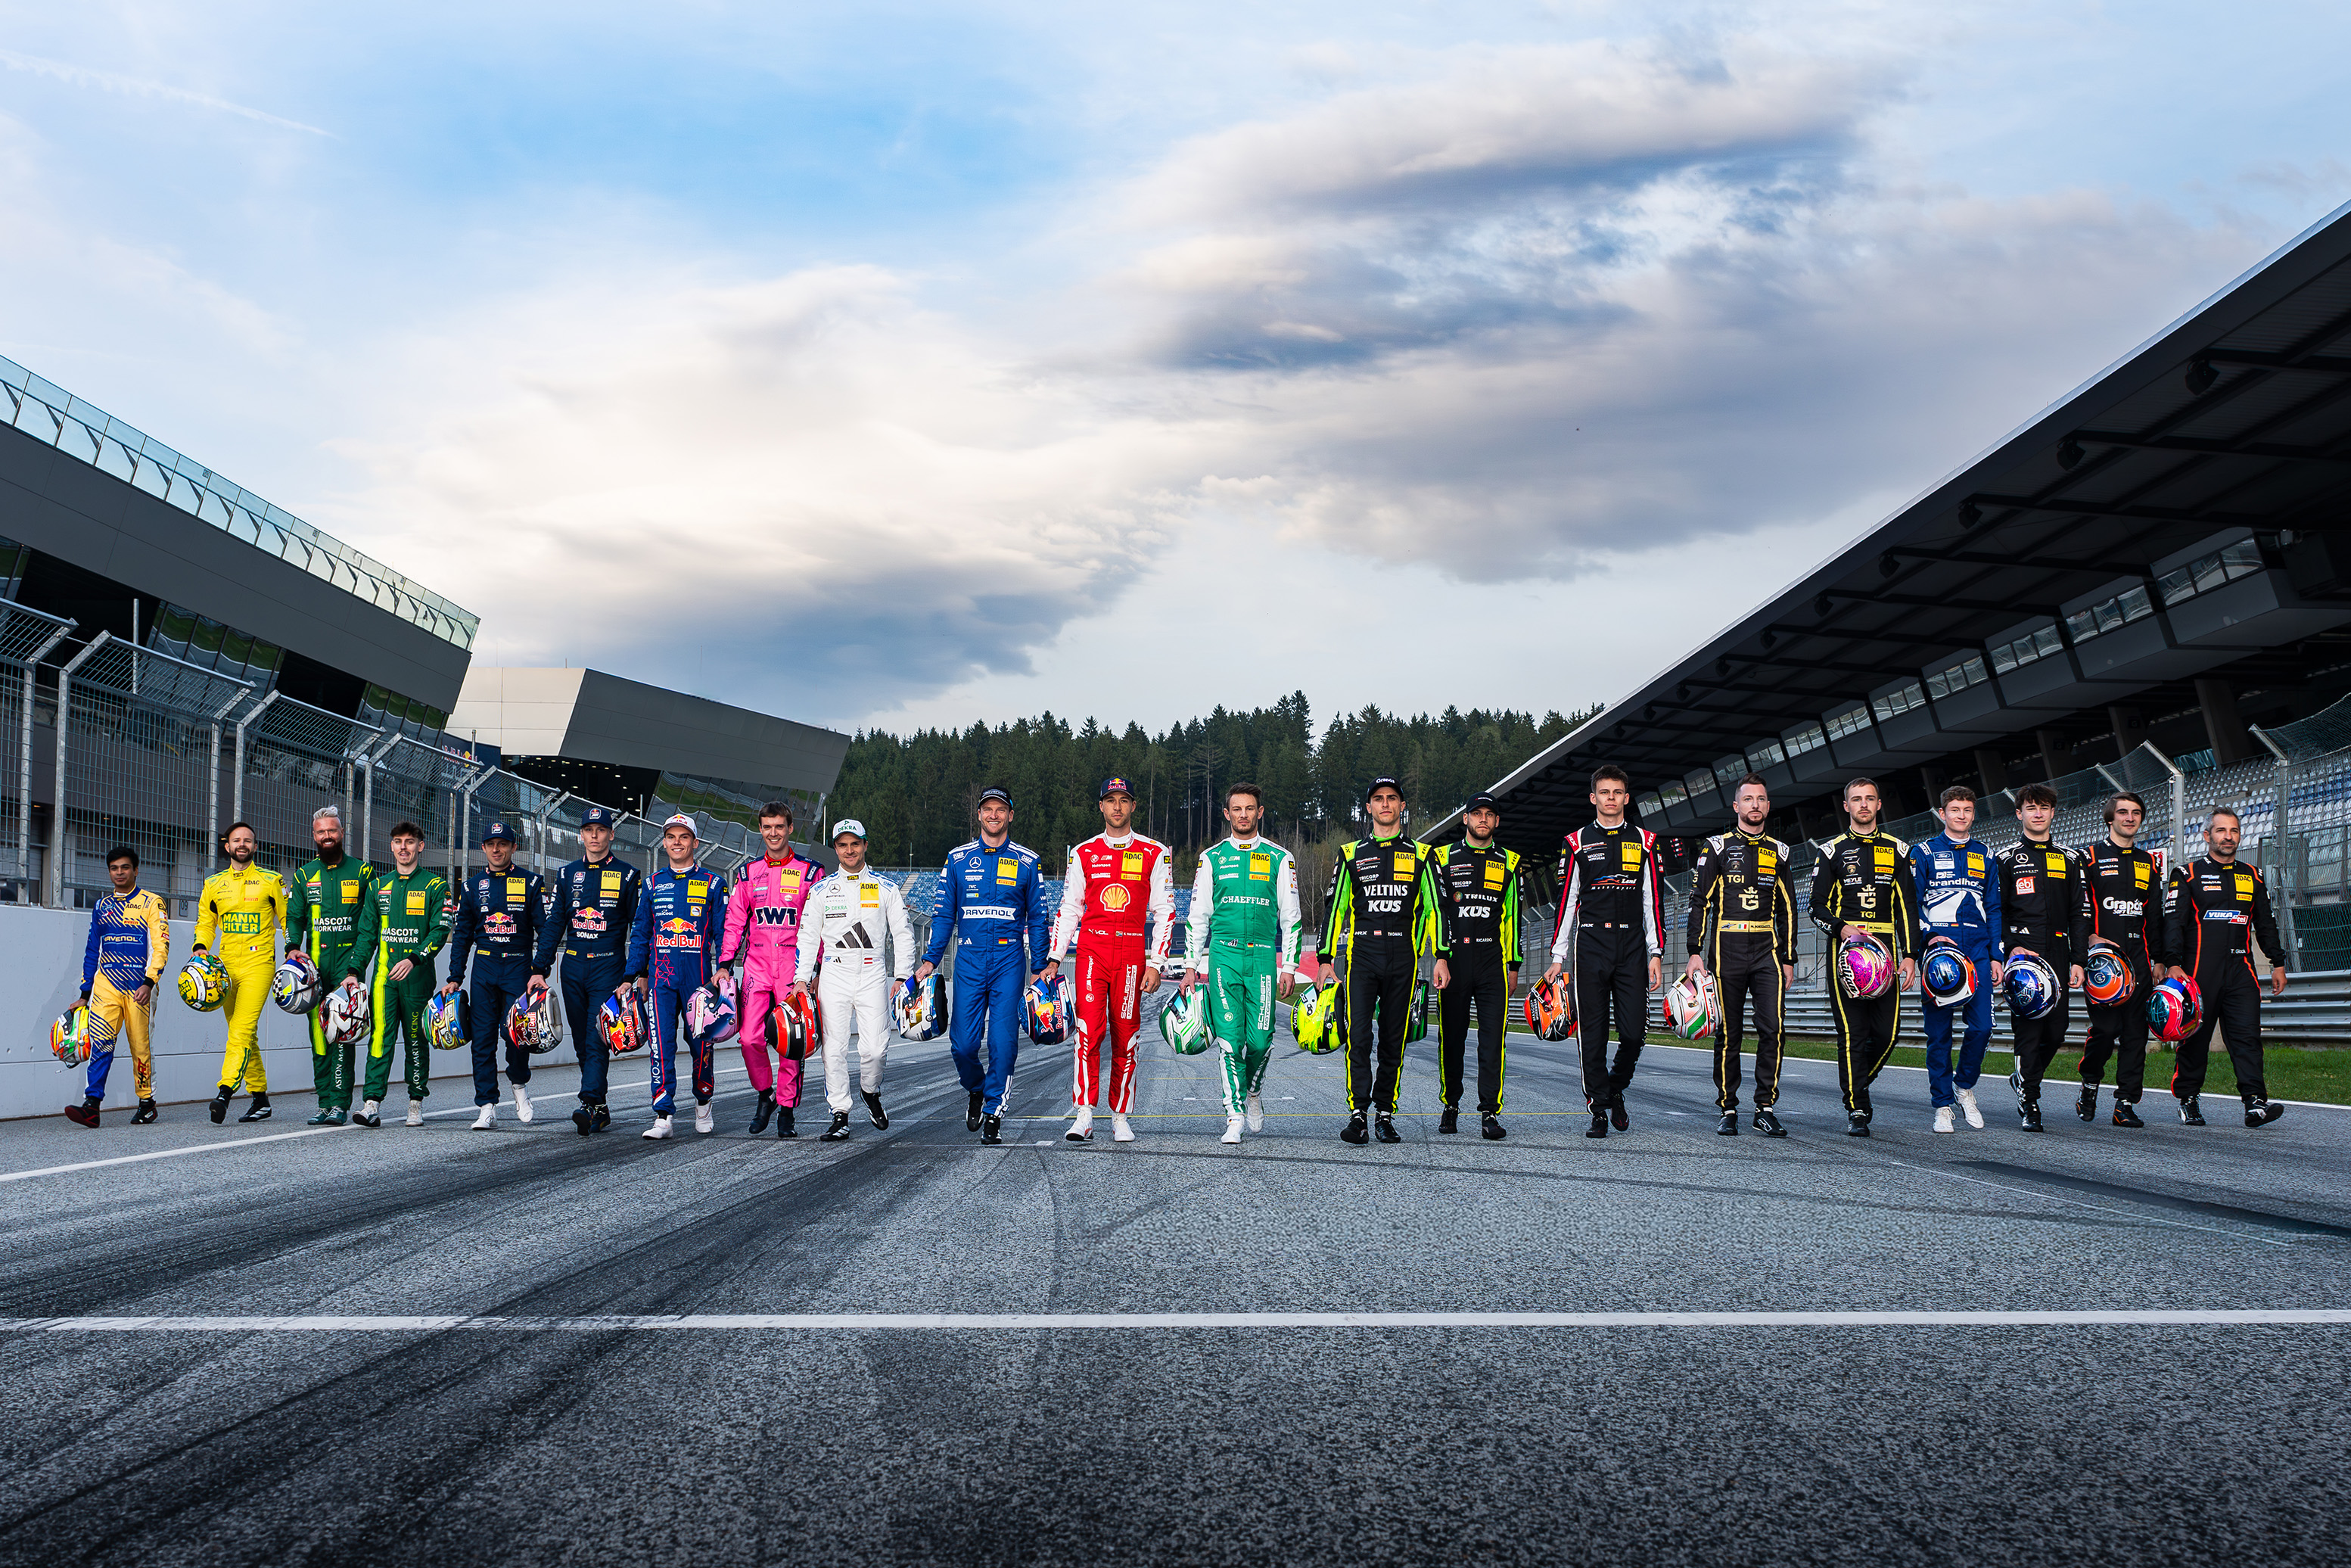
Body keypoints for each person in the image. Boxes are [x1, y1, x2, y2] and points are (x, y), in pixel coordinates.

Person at [913, 788, 1052, 1146]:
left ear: (1010, 815)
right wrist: (930, 959)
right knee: (962, 1045)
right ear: (978, 815)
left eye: (1000, 810)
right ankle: (976, 1088)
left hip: (1009, 963)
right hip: (969, 961)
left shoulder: (1027, 861)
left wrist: (1040, 965)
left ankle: (994, 1112)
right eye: (987, 809)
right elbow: (944, 915)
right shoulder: (957, 859)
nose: (994, 815)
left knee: (1003, 1044)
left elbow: (1038, 918)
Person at [1318, 776, 1450, 1146]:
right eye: (1378, 799)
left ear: (1402, 806)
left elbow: (1438, 909)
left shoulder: (1423, 855)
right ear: (1369, 807)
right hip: (1361, 956)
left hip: (1403, 957)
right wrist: (1325, 959)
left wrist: (1441, 956)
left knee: (1394, 1040)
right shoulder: (1349, 853)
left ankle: (1385, 1114)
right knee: (1358, 1037)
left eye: (1392, 798)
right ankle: (1358, 1114)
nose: (1386, 804)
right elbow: (1334, 909)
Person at [1044, 776, 1175, 1145]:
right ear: (1101, 806)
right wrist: (1055, 958)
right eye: (1110, 800)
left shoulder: (1154, 852)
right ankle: (1084, 1114)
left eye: (1124, 800)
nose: (1117, 807)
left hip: (1132, 955)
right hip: (1092, 951)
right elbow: (1070, 908)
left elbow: (1164, 910)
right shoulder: (1083, 852)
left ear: (1133, 806)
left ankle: (1120, 1116)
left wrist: (1157, 962)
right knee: (1088, 1032)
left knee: (1126, 1035)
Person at [1541, 764, 1662, 1139]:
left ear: (1626, 797)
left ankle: (1615, 1087)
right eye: (1604, 792)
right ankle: (1597, 1107)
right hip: (1591, 944)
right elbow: (1567, 902)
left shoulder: (1646, 841)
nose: (1611, 798)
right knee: (1591, 1034)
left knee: (1634, 1033)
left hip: (1632, 946)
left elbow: (1652, 901)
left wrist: (1656, 952)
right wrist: (1558, 957)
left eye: (1617, 792)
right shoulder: (1576, 841)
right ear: (1593, 797)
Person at [1180, 782, 1304, 1146]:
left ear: (1259, 813)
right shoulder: (1211, 858)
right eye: (1237, 809)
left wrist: (1289, 966)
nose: (1244, 815)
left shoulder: (1281, 858)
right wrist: (1191, 966)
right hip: (1224, 956)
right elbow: (1198, 917)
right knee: (1230, 1042)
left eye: (1250, 808)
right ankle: (1233, 1115)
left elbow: (1292, 918)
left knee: (1261, 1041)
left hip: (1263, 956)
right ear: (1227, 814)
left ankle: (1253, 1091)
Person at [2164, 806, 2290, 1128]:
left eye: (2234, 831)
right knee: (2196, 1038)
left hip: (2241, 971)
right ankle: (2188, 1099)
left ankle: (2255, 1103)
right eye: (2221, 831)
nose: (2228, 837)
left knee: (2247, 1037)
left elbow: (2266, 923)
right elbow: (2173, 923)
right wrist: (2173, 963)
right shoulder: (2187, 874)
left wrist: (2277, 962)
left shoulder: (2253, 875)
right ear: (2207, 835)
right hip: (2198, 972)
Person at [1808, 776, 1920, 1137]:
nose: (1864, 805)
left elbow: (1908, 909)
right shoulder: (1831, 851)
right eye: (1856, 799)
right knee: (1853, 1033)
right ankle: (1857, 1106)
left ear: (1879, 804)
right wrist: (1842, 929)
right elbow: (1815, 907)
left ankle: (1857, 1084)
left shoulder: (1899, 850)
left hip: (1886, 953)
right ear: (1847, 806)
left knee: (1888, 1034)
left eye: (1870, 799)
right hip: (1847, 953)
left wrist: (1910, 955)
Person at [1686, 775, 1797, 1137]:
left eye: (1761, 799)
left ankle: (1765, 1107)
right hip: (1726, 950)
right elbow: (1699, 901)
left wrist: (1789, 957)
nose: (1755, 805)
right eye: (1748, 799)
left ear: (1768, 806)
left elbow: (1788, 910)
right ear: (1736, 806)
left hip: (1767, 952)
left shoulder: (1780, 851)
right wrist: (1694, 952)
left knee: (1773, 1029)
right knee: (1728, 1033)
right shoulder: (1716, 847)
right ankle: (1728, 1107)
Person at [793, 819, 916, 1141]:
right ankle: (839, 1113)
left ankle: (870, 1091)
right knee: (833, 1049)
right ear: (835, 848)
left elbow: (904, 934)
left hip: (873, 972)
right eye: (843, 845)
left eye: (855, 844)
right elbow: (807, 937)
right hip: (834, 972)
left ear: (865, 845)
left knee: (875, 1049)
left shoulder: (887, 888)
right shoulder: (820, 890)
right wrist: (802, 978)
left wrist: (902, 975)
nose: (849, 850)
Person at [536, 804, 642, 1136]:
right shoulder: (567, 874)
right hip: (573, 965)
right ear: (581, 835)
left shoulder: (628, 874)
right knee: (582, 1040)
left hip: (608, 966)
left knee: (597, 1036)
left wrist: (637, 972)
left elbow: (640, 928)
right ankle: (600, 1108)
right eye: (588, 830)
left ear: (611, 834)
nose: (594, 835)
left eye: (601, 830)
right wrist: (539, 968)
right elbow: (554, 924)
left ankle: (588, 1101)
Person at [722, 803, 826, 1138]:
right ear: (761, 829)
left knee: (792, 1040)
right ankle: (765, 1094)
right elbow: (735, 922)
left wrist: (817, 969)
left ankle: (787, 1110)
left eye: (779, 826)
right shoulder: (747, 874)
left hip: (795, 969)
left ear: (790, 828)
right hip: (757, 966)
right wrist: (725, 964)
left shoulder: (811, 873)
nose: (773, 833)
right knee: (749, 1037)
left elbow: (820, 925)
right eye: (767, 827)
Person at [627, 814, 731, 1140]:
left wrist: (724, 967)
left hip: (698, 981)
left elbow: (723, 932)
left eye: (683, 837)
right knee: (661, 1045)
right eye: (671, 837)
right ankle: (663, 1116)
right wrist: (635, 974)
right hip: (661, 980)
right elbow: (641, 932)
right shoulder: (652, 884)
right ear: (664, 842)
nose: (677, 842)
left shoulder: (713, 883)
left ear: (695, 843)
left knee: (701, 1045)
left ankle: (703, 1101)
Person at [1992, 782, 2088, 1132]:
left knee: (2057, 1030)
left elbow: (2079, 913)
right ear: (2019, 813)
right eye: (2031, 808)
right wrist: (2008, 949)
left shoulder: (2071, 858)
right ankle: (2030, 1101)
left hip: (2059, 951)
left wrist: (2078, 959)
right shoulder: (2004, 859)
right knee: (2029, 1031)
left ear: (2052, 813)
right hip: (2023, 953)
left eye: (2044, 808)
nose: (2038, 814)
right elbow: (1997, 912)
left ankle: (2023, 1077)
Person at [443, 819, 548, 1131]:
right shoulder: (471, 887)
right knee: (482, 1040)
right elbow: (462, 936)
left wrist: (540, 970)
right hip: (485, 967)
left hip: (518, 966)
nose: (497, 849)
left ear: (514, 847)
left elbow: (545, 930)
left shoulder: (531, 882)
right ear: (484, 848)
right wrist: (455, 976)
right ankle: (487, 1106)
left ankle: (519, 1085)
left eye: (503, 844)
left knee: (516, 1034)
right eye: (491, 844)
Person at [1908, 786, 2001, 1134]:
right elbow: (1912, 904)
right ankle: (1942, 1105)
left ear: (1974, 814)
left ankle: (1964, 1086)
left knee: (1982, 1027)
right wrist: (1929, 936)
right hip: (1939, 951)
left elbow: (1994, 907)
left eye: (1967, 810)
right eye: (1955, 810)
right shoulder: (1924, 852)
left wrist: (1996, 955)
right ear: (1942, 813)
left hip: (1978, 949)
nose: (1961, 815)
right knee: (1939, 1034)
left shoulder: (1986, 853)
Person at [1430, 792, 1522, 1140]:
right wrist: (1438, 955)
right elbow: (1435, 911)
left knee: (1492, 1041)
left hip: (1492, 962)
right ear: (1465, 819)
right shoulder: (1442, 858)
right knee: (1452, 1039)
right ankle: (1451, 1105)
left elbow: (1513, 917)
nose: (1483, 819)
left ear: (1497, 821)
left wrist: (1514, 965)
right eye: (1476, 813)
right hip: (1454, 960)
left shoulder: (1510, 861)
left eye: (1489, 814)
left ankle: (1489, 1112)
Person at [285, 804, 378, 1127]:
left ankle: (339, 1103)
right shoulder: (303, 875)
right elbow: (294, 918)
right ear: (314, 836)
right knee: (318, 1034)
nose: (327, 836)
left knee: (341, 1030)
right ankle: (324, 1102)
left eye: (332, 830)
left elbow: (370, 925)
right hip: (314, 968)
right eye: (321, 831)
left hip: (348, 967)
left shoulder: (363, 872)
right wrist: (292, 949)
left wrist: (356, 967)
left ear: (342, 833)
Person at [65, 846, 169, 1128]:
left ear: (136, 870)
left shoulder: (152, 903)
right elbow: (92, 950)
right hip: (106, 986)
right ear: (109, 872)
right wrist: (84, 994)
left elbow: (161, 947)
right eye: (114, 868)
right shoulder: (101, 906)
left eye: (125, 868)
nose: (119, 873)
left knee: (140, 1046)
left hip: (140, 987)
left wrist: (150, 982)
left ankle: (147, 1103)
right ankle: (92, 1106)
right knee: (100, 1044)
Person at [2076, 791, 2163, 1127]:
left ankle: (2125, 1103)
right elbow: (2078, 910)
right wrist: (2088, 940)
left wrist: (2159, 959)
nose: (2130, 818)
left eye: (2136, 813)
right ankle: (2090, 1084)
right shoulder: (2089, 858)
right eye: (2123, 812)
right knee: (2105, 1029)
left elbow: (2154, 917)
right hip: (2103, 962)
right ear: (2110, 818)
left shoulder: (2149, 862)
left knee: (2136, 1035)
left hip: (2139, 960)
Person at [195, 823, 288, 1125]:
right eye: (237, 840)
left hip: (259, 964)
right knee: (244, 1033)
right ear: (227, 846)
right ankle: (260, 1098)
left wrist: (292, 950)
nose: (242, 844)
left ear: (255, 847)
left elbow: (288, 919)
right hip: (224, 969)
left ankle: (224, 1092)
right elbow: (205, 922)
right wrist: (200, 948)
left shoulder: (271, 881)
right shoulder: (213, 884)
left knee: (241, 1030)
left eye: (248, 840)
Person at [358, 822, 448, 1129]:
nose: (403, 847)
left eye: (410, 842)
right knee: (379, 1039)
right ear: (392, 846)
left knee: (416, 1039)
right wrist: (354, 971)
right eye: (398, 842)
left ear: (420, 846)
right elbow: (367, 935)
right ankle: (371, 1104)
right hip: (384, 980)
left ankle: (415, 1102)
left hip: (418, 979)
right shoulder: (377, 887)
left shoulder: (436, 886)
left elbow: (440, 931)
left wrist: (414, 959)